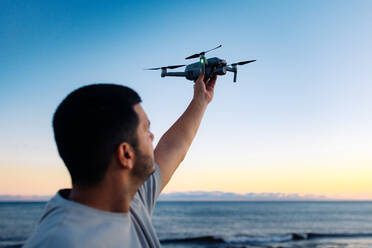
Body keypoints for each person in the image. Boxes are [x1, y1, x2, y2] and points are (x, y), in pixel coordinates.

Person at [23, 72, 217, 248]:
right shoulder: (61, 242)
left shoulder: (130, 199)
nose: (152, 137)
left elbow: (174, 147)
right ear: (125, 155)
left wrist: (200, 101)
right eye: (145, 130)